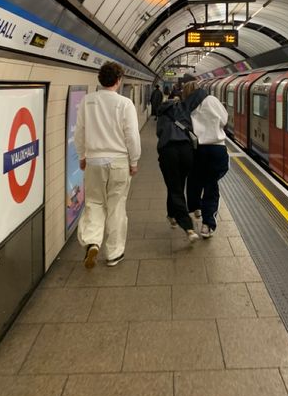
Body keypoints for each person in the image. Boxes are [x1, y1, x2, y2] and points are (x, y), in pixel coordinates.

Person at [74, 61, 141, 269]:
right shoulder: (124, 104)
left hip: (94, 161)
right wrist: (134, 161)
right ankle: (113, 254)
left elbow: (80, 132)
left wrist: (82, 155)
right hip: (119, 161)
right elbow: (131, 136)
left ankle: (93, 241)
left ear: (100, 80)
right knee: (116, 207)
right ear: (119, 81)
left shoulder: (88, 101)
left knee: (94, 202)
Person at [156, 76, 206, 242]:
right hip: (186, 150)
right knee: (178, 184)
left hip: (168, 151)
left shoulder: (162, 113)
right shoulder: (184, 108)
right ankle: (171, 215)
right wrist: (192, 85)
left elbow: (159, 133)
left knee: (174, 187)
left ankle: (188, 227)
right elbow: (200, 93)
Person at [184, 78, 229, 238]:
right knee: (211, 186)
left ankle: (195, 207)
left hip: (197, 149)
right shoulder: (212, 100)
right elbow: (224, 120)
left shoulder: (186, 104)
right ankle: (207, 225)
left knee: (195, 180)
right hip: (217, 149)